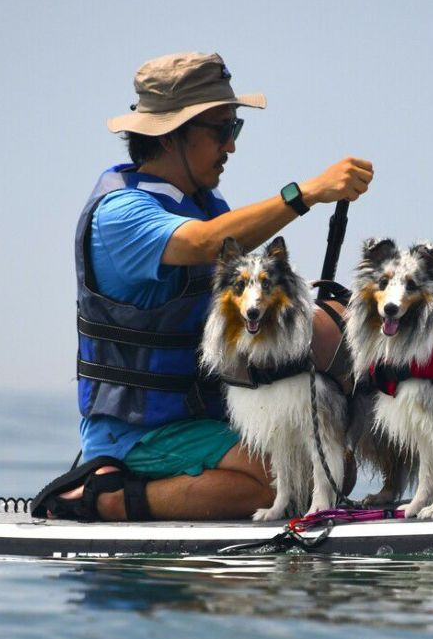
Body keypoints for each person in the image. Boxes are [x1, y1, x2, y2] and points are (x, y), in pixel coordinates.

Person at [34, 51, 373, 522]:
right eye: (221, 131)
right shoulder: (121, 215)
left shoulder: (207, 204)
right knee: (281, 475)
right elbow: (204, 243)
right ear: (171, 136)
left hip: (208, 418)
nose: (231, 146)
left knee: (335, 467)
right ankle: (106, 497)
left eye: (235, 130)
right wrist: (306, 194)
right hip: (138, 433)